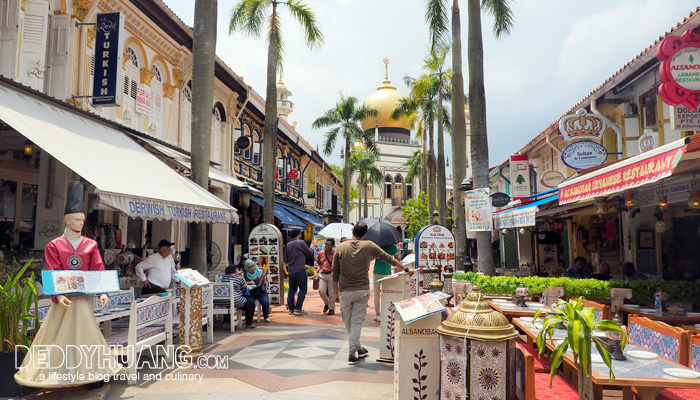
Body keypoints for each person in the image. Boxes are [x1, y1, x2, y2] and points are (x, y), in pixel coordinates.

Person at [15, 182, 121, 388]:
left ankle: (91, 373)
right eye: (76, 219)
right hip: (64, 300)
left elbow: (97, 268)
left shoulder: (91, 244)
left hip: (82, 299)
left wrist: (103, 292)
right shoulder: (54, 245)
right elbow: (52, 270)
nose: (81, 223)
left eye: (82, 219)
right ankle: (57, 372)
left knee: (87, 334)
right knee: (60, 336)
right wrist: (58, 295)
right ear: (67, 220)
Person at [332, 223, 410, 365]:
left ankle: (353, 350)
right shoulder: (369, 245)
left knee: (349, 321)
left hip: (344, 290)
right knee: (355, 322)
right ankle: (357, 349)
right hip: (361, 290)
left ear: (352, 231)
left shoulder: (340, 247)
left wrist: (335, 292)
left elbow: (335, 272)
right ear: (365, 234)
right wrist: (405, 268)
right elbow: (388, 258)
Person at [284, 229, 313, 315]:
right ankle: (298, 308)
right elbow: (309, 252)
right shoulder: (301, 243)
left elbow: (286, 258)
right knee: (303, 289)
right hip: (300, 269)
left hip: (291, 270)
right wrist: (311, 246)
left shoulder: (288, 244)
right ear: (298, 234)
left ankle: (291, 308)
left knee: (291, 290)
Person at [372, 242, 400, 322]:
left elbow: (371, 258)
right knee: (387, 293)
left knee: (376, 294)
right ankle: (386, 313)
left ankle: (377, 314)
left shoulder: (378, 245)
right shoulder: (393, 246)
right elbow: (396, 259)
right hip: (387, 272)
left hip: (376, 271)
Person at [315, 238, 336, 315]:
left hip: (331, 275)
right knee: (321, 291)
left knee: (331, 293)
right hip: (323, 274)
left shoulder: (335, 253)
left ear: (332, 246)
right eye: (326, 244)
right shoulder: (321, 253)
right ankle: (326, 303)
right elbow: (319, 262)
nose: (326, 246)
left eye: (328, 244)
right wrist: (319, 269)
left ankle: (331, 309)